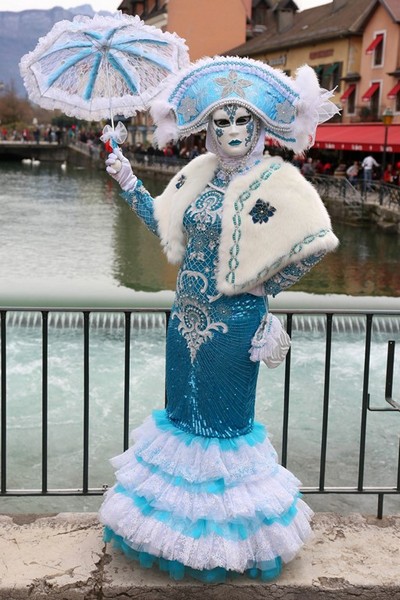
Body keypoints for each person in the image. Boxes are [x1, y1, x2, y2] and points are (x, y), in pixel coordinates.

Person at [99, 56, 339, 582]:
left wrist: (265, 287)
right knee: (183, 420)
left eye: (241, 121)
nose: (231, 131)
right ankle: (179, 541)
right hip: (183, 318)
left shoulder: (277, 181)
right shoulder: (198, 173)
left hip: (233, 327)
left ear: (258, 128)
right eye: (221, 122)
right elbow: (164, 223)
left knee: (224, 427)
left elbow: (317, 244)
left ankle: (224, 548)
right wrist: (128, 180)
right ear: (207, 131)